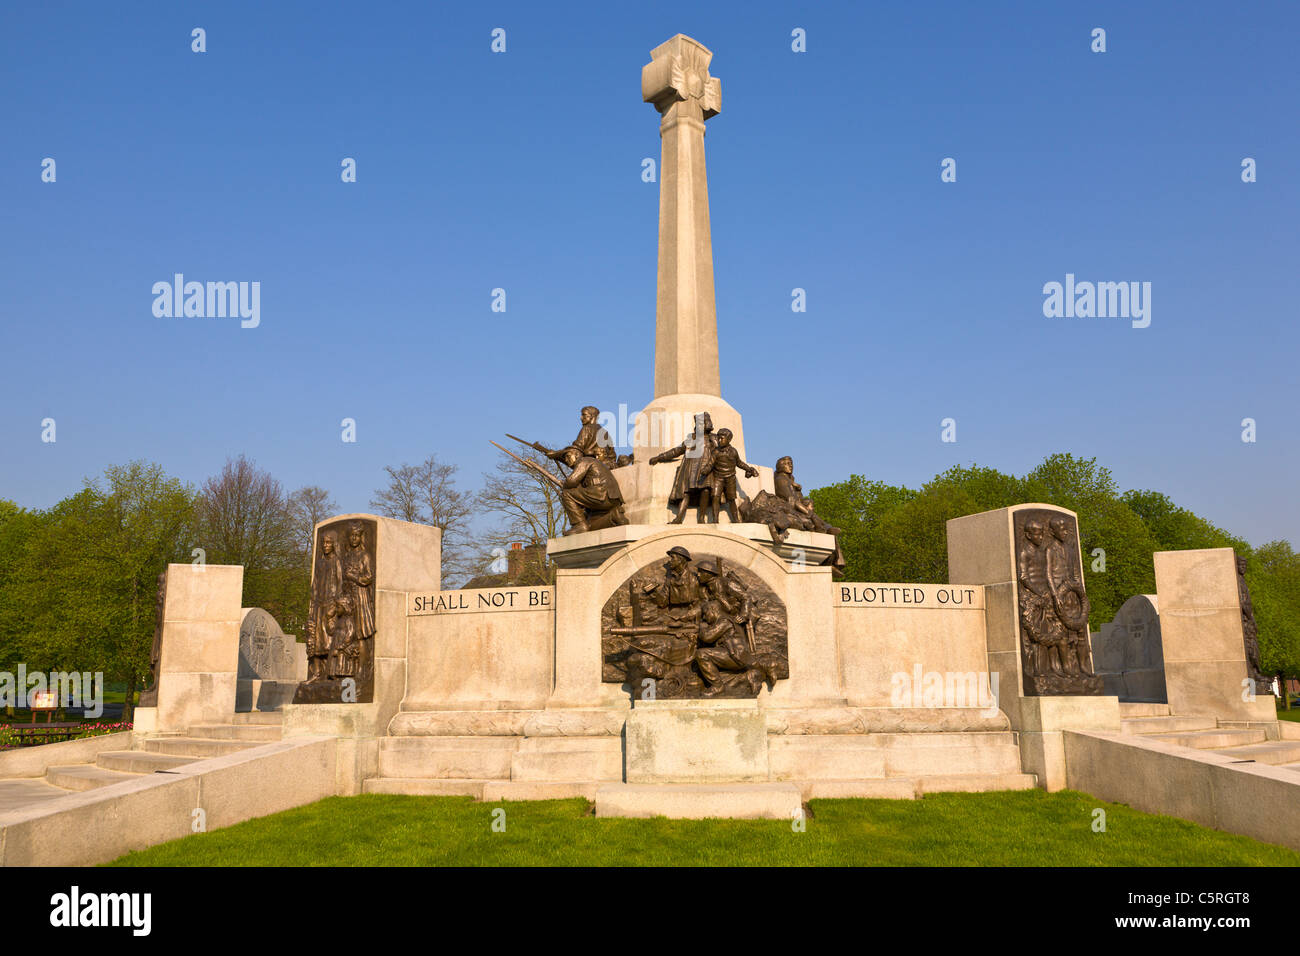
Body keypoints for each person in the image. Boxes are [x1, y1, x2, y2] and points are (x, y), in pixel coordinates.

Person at [649, 412, 717, 524]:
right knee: (685, 492)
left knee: (705, 490)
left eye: (702, 423)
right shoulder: (692, 438)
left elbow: (721, 452)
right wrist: (659, 457)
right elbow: (677, 451)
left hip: (706, 467)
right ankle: (679, 518)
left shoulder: (713, 438)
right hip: (691, 467)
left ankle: (701, 518)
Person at [559, 446, 628, 533]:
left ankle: (579, 525)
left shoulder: (583, 461)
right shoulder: (593, 462)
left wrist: (564, 484)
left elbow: (571, 481)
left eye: (568, 456)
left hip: (601, 495)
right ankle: (614, 516)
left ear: (576, 455)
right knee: (590, 525)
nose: (566, 459)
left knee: (566, 494)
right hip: (613, 500)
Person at [700, 428, 758, 523]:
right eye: (718, 438)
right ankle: (715, 519)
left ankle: (735, 519)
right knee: (715, 497)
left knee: (731, 499)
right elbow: (710, 464)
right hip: (718, 478)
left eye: (722, 438)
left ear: (728, 440)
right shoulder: (716, 452)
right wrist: (705, 471)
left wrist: (749, 469)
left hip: (730, 478)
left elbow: (739, 463)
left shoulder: (733, 451)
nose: (719, 440)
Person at [544, 406, 616, 465]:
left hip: (588, 464)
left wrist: (555, 454)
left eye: (584, 415)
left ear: (592, 416)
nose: (581, 418)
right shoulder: (605, 432)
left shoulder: (587, 428)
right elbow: (612, 455)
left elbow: (576, 448)